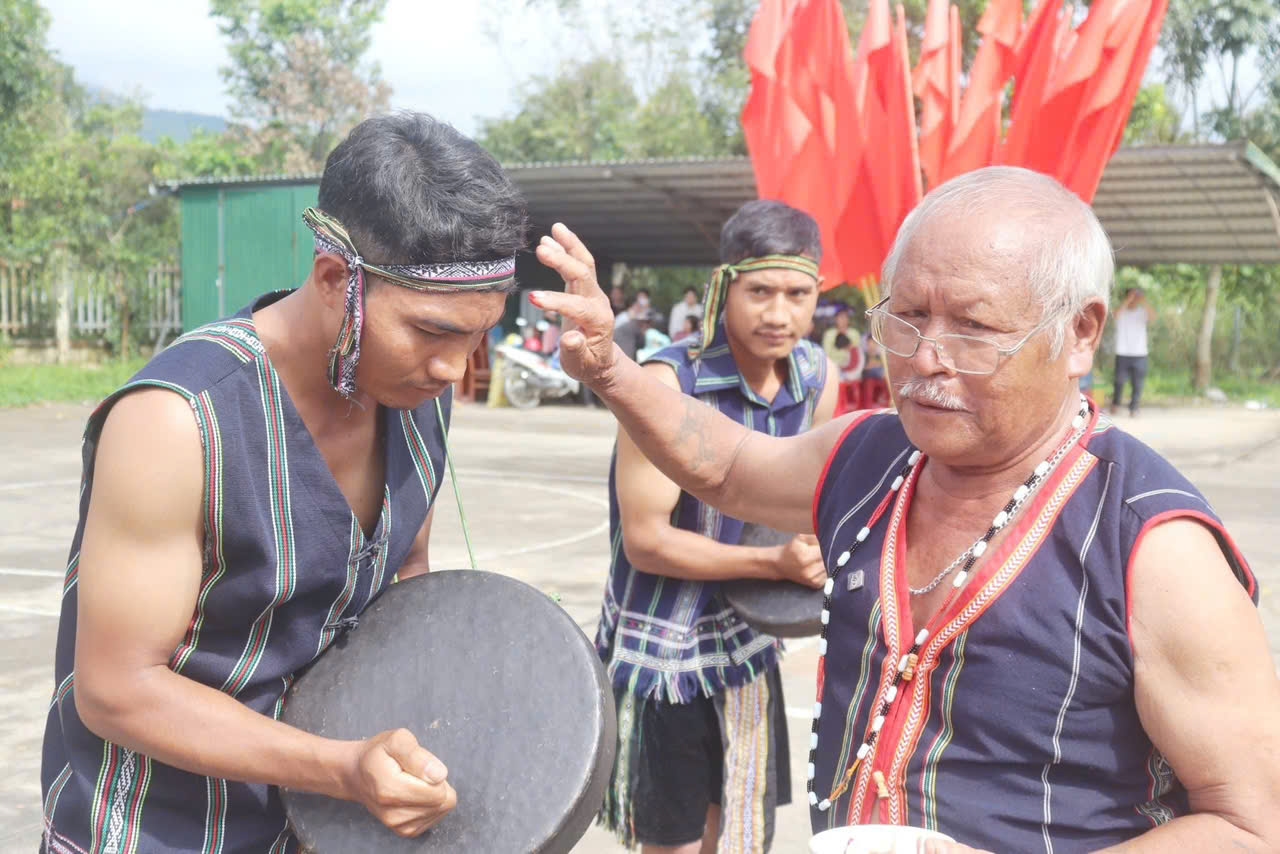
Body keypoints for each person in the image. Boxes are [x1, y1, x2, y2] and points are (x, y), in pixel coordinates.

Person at [531, 166, 1280, 853]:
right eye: (909, 316)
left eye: (976, 328)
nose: (926, 356)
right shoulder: (870, 457)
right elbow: (727, 467)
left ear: (1080, 332)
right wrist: (609, 368)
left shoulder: (1154, 549)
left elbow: (1251, 826)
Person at [39, 112, 528, 852]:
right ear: (335, 279)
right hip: (160, 830)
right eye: (432, 332)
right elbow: (116, 691)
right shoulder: (178, 421)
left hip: (324, 824)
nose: (456, 369)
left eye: (478, 335)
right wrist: (340, 768)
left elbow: (404, 580)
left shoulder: (416, 394)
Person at [564, 200, 840, 854]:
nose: (779, 313)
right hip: (665, 651)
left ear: (818, 295)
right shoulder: (670, 379)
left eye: (797, 294)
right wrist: (774, 567)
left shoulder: (814, 378)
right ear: (724, 285)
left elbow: (814, 506)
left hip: (748, 646)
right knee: (677, 844)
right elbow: (648, 542)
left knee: (740, 833)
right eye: (761, 292)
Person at [1111, 286, 1155, 417]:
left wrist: (1143, 301)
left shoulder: (1142, 312)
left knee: (1138, 383)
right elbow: (1116, 315)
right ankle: (1116, 404)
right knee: (1119, 381)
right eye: (1132, 295)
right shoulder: (1122, 311)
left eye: (1136, 296)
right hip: (1122, 352)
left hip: (1140, 353)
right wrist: (1128, 300)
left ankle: (1134, 408)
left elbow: (1153, 318)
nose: (1134, 298)